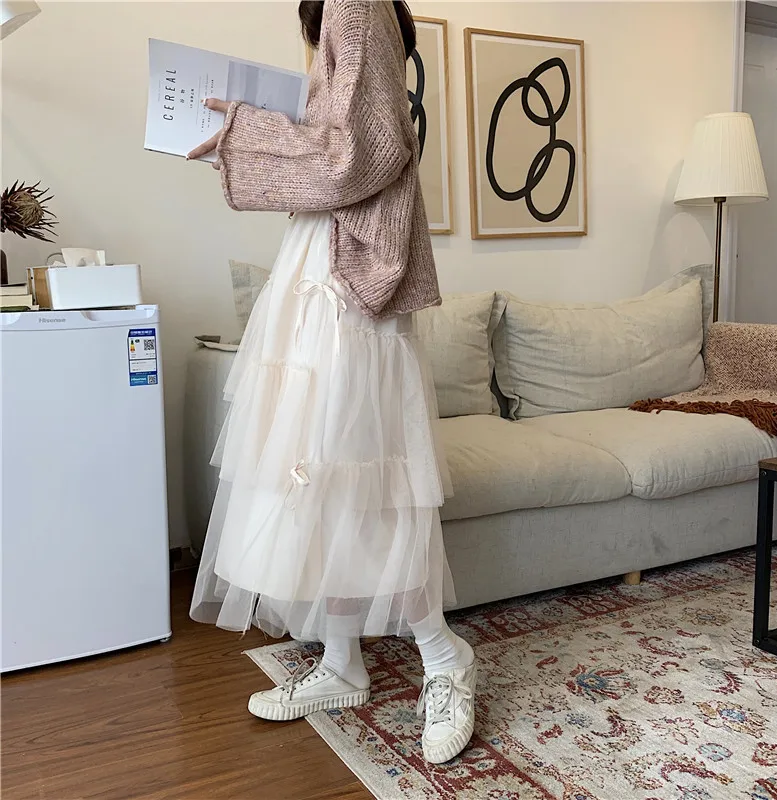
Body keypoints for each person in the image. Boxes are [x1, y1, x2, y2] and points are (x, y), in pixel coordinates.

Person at [187, 0, 476, 765]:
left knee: (363, 480)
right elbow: (338, 150)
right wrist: (248, 139)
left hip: (344, 290)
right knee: (321, 478)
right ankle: (343, 662)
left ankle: (446, 658)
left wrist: (247, 133)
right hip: (320, 271)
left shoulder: (356, 2)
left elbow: (365, 153)